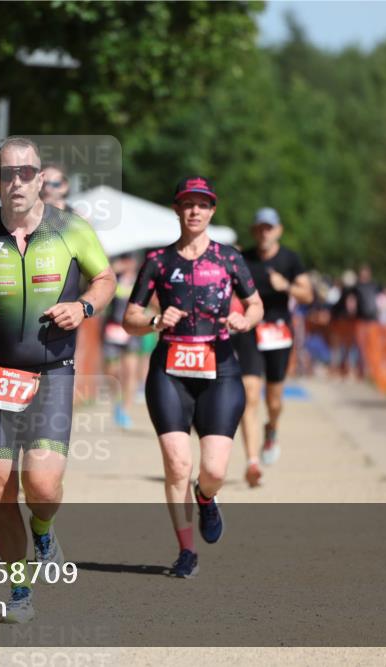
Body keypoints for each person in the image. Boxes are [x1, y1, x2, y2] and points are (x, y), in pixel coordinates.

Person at [0, 137, 115, 623]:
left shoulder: (71, 230)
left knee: (41, 483)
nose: (17, 182)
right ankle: (19, 590)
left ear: (39, 179)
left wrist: (83, 307)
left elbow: (106, 278)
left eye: (26, 172)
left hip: (52, 372)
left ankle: (43, 527)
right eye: (7, 174)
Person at [123, 176, 262, 578]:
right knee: (176, 463)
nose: (195, 211)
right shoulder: (158, 262)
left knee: (214, 470)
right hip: (169, 370)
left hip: (220, 368)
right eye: (188, 204)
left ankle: (206, 497)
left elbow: (255, 307)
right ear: (177, 210)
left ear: (212, 210)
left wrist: (243, 319)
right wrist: (152, 320)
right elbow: (129, 318)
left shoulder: (230, 259)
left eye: (203, 204)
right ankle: (186, 550)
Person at [232, 207, 313, 485]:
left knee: (274, 400)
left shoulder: (290, 259)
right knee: (250, 394)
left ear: (278, 230)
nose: (264, 232)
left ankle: (272, 428)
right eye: (260, 228)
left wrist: (286, 286)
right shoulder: (244, 258)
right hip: (250, 330)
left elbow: (307, 294)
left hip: (279, 332)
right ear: (254, 231)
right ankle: (252, 461)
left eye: (269, 228)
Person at [102, 254, 143, 429]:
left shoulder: (141, 281)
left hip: (132, 332)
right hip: (113, 328)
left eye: (130, 260)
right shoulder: (114, 279)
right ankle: (116, 399)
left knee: (130, 372)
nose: (128, 263)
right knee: (112, 371)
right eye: (124, 260)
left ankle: (124, 410)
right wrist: (113, 270)